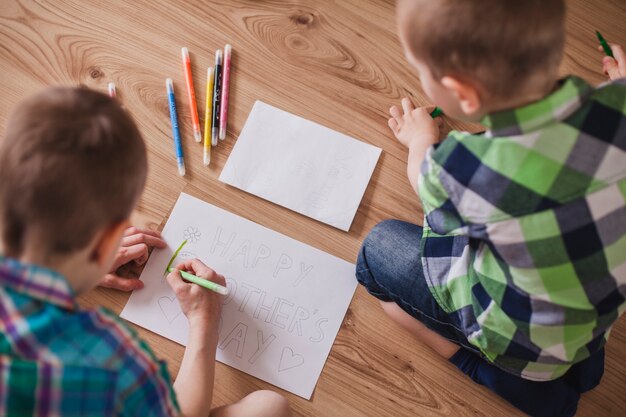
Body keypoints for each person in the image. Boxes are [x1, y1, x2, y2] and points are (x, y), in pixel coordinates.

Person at [356, 0, 626, 416]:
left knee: (375, 253)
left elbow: (425, 182)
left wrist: (419, 139)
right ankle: (581, 370)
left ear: (461, 93)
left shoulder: (466, 167)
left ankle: (481, 366)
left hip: (519, 339)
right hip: (595, 317)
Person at [0, 87, 291, 417]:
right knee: (269, 407)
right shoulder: (105, 355)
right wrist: (204, 321)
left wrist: (77, 269)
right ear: (105, 243)